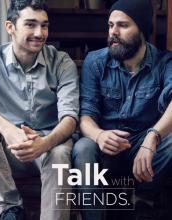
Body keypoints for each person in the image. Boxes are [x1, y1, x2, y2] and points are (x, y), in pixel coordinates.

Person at [0, 0, 79, 220]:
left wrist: (44, 143)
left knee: (61, 153)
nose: (39, 32)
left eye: (44, 25)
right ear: (10, 27)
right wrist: (8, 130)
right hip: (9, 153)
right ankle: (11, 207)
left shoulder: (62, 62)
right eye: (31, 24)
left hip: (49, 147)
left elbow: (70, 118)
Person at [72, 0, 172, 219]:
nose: (113, 32)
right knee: (82, 147)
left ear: (142, 30)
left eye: (123, 25)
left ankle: (143, 199)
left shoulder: (165, 63)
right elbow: (85, 116)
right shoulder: (95, 62)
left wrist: (152, 137)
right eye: (110, 25)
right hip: (106, 148)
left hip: (146, 153)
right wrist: (99, 135)